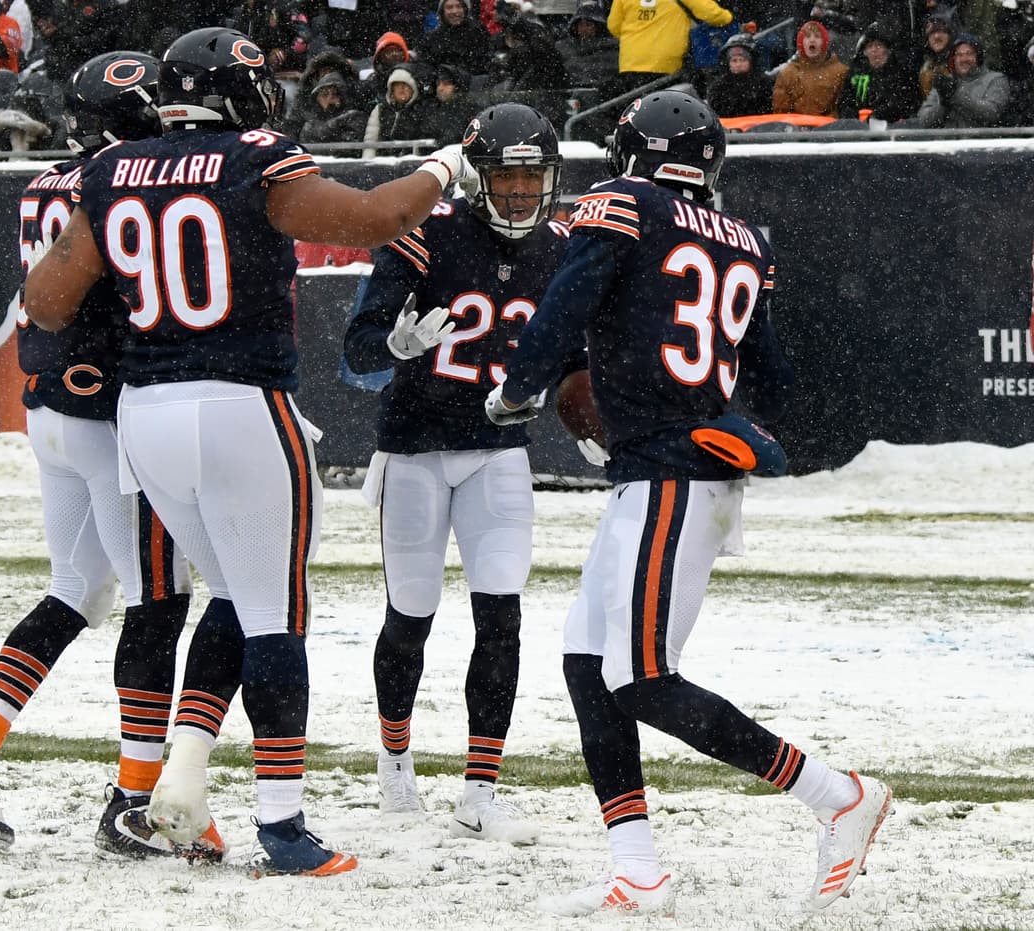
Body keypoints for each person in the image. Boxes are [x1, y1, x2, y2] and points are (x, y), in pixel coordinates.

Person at [22, 26, 477, 877]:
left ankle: (182, 787)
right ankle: (281, 821)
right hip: (239, 401)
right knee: (277, 611)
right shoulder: (256, 155)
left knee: (229, 596)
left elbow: (45, 301)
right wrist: (448, 162)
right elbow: (379, 217)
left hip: (145, 414)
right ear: (235, 92)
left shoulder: (111, 168)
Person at [485, 90, 892, 916]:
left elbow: (568, 303)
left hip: (671, 471)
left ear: (635, 156)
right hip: (672, 465)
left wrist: (518, 389)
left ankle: (836, 795)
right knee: (585, 660)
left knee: (640, 676)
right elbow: (771, 378)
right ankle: (637, 869)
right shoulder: (741, 240)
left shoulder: (623, 203)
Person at [0, 51, 222, 862]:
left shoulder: (47, 181)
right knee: (159, 601)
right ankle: (133, 796)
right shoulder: (123, 180)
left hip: (52, 409)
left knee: (78, 590)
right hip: (108, 416)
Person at [342, 102, 573, 845]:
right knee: (410, 615)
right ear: (478, 177)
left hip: (499, 452)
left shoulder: (563, 246)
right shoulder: (428, 233)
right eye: (505, 176)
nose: (517, 193)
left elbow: (578, 355)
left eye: (530, 178)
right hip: (413, 448)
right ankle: (395, 754)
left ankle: (481, 787)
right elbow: (356, 352)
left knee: (500, 615)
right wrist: (397, 345)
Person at [608, 0, 733, 90]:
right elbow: (714, 15)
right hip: (665, 63)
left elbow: (614, 26)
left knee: (635, 111)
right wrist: (729, 17)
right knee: (665, 112)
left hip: (631, 62)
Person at [916, 32, 1010, 127]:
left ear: (978, 57)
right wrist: (943, 105)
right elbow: (924, 121)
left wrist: (955, 96)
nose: (964, 59)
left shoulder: (996, 79)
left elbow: (992, 114)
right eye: (959, 55)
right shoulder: (946, 82)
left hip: (980, 140)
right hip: (946, 140)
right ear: (954, 59)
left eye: (969, 53)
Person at [837, 21, 923, 123]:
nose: (874, 50)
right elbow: (845, 101)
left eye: (878, 45)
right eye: (869, 46)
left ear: (888, 50)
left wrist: (878, 115)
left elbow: (906, 103)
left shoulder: (902, 74)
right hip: (858, 128)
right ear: (865, 52)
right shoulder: (856, 75)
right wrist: (851, 115)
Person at [772, 19, 849, 116]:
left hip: (828, 128)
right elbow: (781, 112)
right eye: (807, 36)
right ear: (801, 42)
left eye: (817, 36)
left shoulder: (840, 71)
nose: (812, 40)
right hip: (797, 128)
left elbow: (841, 109)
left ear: (824, 42)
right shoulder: (788, 72)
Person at [705, 32, 775, 117]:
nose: (738, 64)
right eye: (734, 60)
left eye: (743, 60)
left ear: (751, 62)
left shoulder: (764, 83)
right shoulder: (718, 87)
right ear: (728, 63)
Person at [419, 0, 492, 76]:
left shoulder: (479, 33)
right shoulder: (432, 38)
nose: (455, 11)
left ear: (465, 9)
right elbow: (427, 69)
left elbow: (484, 66)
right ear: (442, 11)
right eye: (449, 7)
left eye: (459, 6)